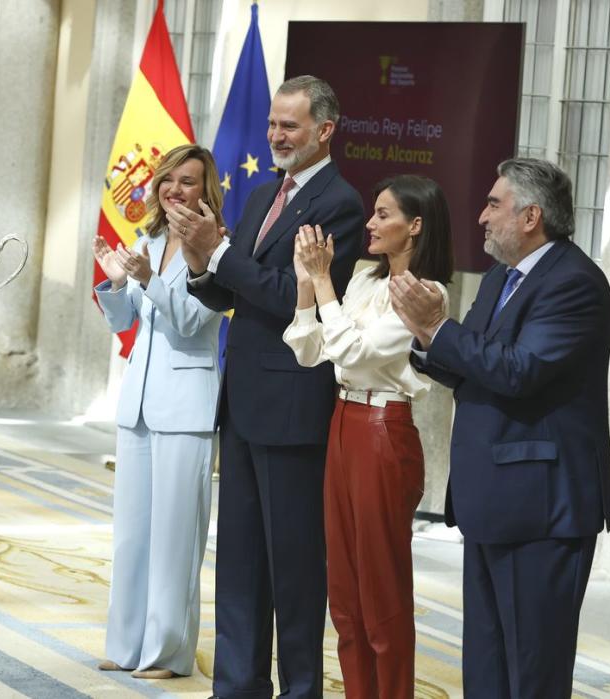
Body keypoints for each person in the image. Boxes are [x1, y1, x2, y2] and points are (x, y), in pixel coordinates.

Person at [389, 158, 610, 698]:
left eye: (495, 204)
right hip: (493, 501)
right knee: (488, 668)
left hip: (541, 509)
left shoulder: (575, 284)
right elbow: (475, 359)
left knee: (532, 671)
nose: (481, 217)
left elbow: (520, 371)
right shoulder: (501, 277)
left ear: (530, 216)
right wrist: (424, 340)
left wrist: (438, 327)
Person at [171, 75, 366, 699]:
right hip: (246, 401)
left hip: (295, 406)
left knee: (295, 566)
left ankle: (301, 688)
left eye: (290, 127)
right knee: (240, 562)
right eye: (273, 125)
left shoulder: (341, 205)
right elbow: (233, 292)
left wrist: (221, 255)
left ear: (324, 132)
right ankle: (236, 687)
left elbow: (295, 300)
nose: (275, 135)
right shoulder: (260, 195)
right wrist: (201, 264)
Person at [284, 175, 454, 699]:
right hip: (342, 422)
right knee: (345, 593)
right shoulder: (361, 278)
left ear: (415, 225)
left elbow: (355, 354)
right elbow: (310, 350)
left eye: (384, 214)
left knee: (382, 593)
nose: (371, 223)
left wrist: (324, 285)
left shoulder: (426, 294)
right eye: (373, 213)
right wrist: (306, 287)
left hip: (384, 432)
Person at [92, 144, 225, 680]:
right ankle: (126, 645)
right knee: (132, 535)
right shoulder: (146, 239)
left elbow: (193, 323)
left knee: (175, 538)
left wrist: (147, 279)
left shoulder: (217, 248)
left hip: (187, 409)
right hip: (139, 406)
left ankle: (168, 653)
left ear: (205, 190)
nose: (175, 189)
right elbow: (126, 323)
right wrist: (115, 282)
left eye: (188, 181)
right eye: (168, 179)